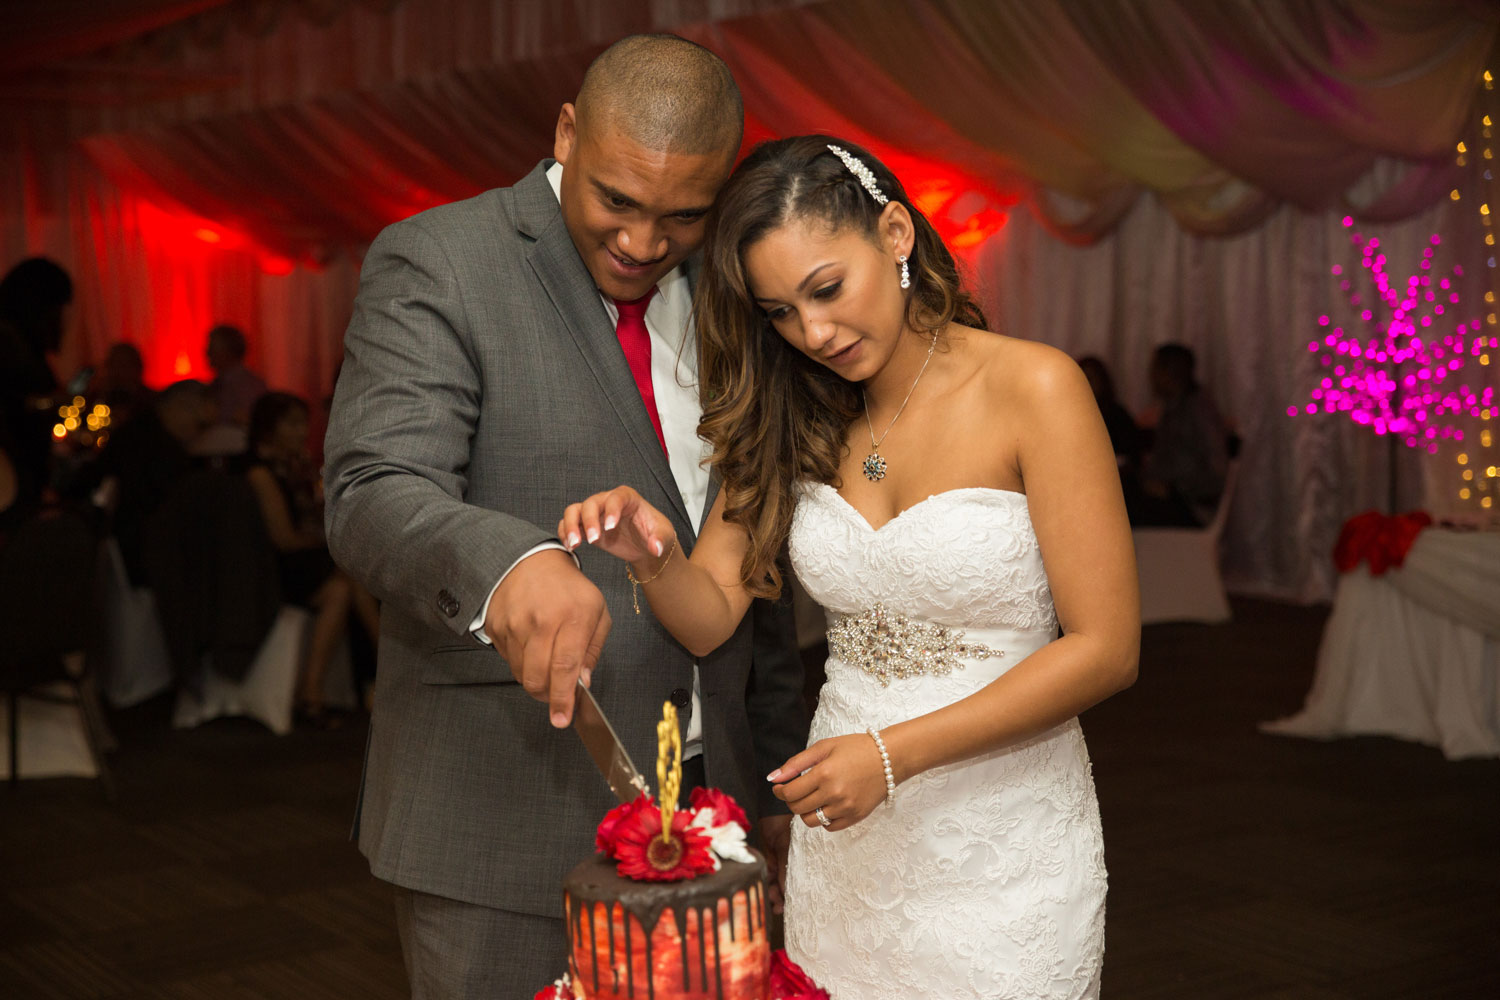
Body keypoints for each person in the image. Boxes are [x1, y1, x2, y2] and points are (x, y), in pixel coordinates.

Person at [559, 136, 1140, 997]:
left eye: (826, 290)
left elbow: (1106, 649)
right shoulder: (793, 414)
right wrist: (655, 556)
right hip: (850, 835)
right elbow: (711, 611)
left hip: (1005, 838)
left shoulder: (1035, 389)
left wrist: (891, 754)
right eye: (780, 313)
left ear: (897, 233)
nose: (814, 332)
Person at [321, 34, 806, 995]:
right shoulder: (441, 260)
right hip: (504, 819)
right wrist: (507, 562)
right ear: (567, 131)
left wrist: (775, 768)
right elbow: (373, 487)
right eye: (616, 201)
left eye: (681, 215)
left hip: (718, 812)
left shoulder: (738, 289)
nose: (639, 242)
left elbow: (758, 556)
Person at [245, 392, 378, 727]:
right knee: (352, 576)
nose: (302, 431)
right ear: (269, 428)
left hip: (306, 562)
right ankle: (388, 664)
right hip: (269, 568)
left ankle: (313, 692)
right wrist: (328, 539)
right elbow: (284, 538)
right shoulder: (259, 474)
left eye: (303, 422)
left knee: (345, 587)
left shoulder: (292, 466)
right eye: (292, 423)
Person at [0, 257, 72, 513]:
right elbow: (12, 403)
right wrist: (49, 402)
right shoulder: (11, 343)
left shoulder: (18, 342)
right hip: (15, 473)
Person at [1132, 342, 1230, 526]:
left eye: (1155, 369)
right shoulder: (1173, 408)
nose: (1150, 376)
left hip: (1190, 508)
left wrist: (1172, 489)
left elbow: (1216, 475)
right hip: (1173, 500)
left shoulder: (1198, 411)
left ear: (1170, 372)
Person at [1077, 354, 1141, 475]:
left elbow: (1130, 457)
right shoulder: (1068, 416)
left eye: (1090, 378)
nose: (1085, 384)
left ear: (1102, 381)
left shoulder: (1117, 416)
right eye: (1081, 378)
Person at [205, 323, 267, 429]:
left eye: (213, 347)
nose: (208, 353)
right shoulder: (217, 383)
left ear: (229, 351)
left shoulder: (248, 386)